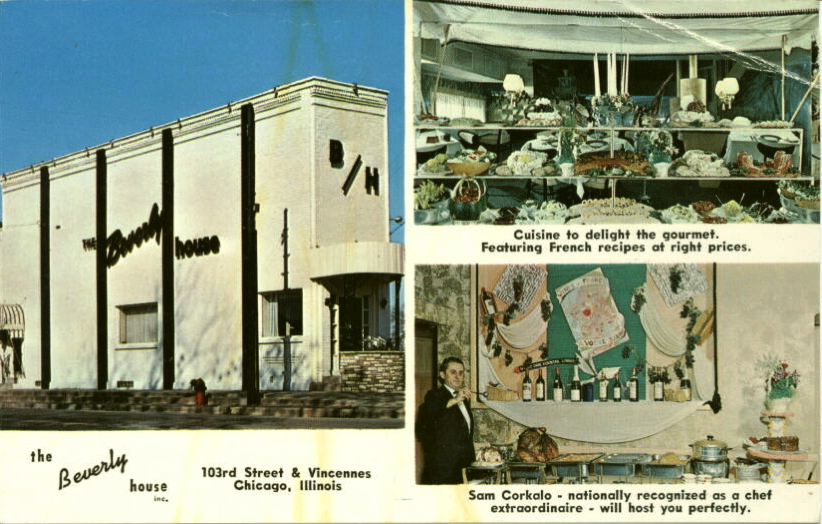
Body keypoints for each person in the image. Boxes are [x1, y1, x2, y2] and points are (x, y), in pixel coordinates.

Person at [416, 356, 475, 484]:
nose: (457, 376)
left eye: (461, 373)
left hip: (463, 468)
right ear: (442, 375)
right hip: (442, 470)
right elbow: (429, 413)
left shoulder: (463, 399)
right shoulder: (434, 395)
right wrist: (454, 400)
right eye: (452, 372)